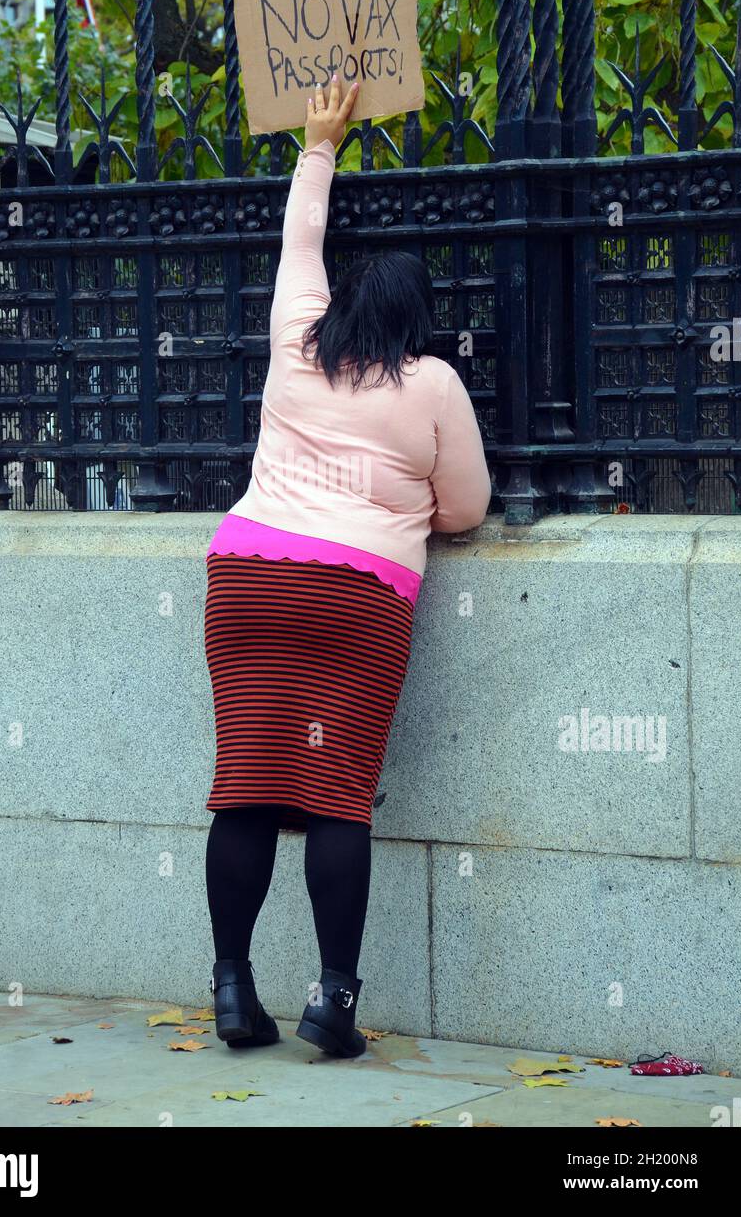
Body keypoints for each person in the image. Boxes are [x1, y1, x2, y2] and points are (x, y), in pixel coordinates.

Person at [203, 74, 492, 1058]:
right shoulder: (434, 382)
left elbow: (298, 243)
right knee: (335, 792)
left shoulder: (295, 346)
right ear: (418, 316)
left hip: (244, 575)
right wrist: (403, 503)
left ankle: (233, 990)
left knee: (243, 784)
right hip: (354, 598)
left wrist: (320, 141)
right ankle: (333, 999)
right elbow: (467, 508)